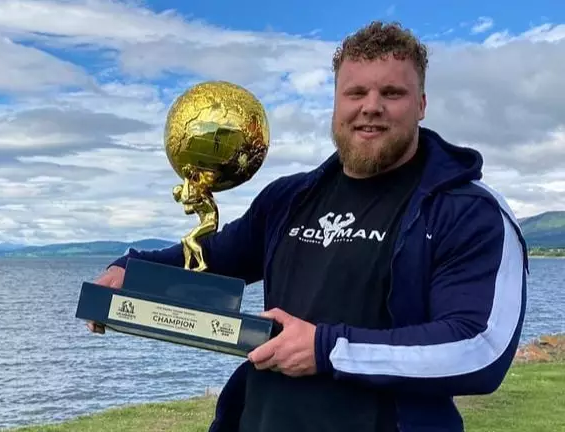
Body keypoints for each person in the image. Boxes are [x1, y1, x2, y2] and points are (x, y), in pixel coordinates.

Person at [86, 20, 528, 432]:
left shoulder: (468, 211)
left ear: (422, 105)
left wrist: (325, 348)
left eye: (392, 93)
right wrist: (133, 271)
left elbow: (477, 349)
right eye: (355, 93)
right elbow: (213, 258)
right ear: (336, 102)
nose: (370, 107)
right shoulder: (289, 198)